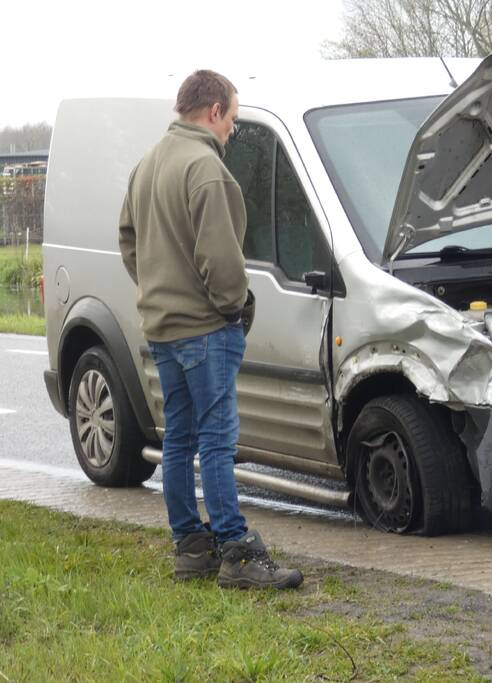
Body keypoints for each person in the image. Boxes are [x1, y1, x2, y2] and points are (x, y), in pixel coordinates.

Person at [118, 69, 302, 589]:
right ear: (215, 111)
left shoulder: (147, 164)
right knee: (218, 440)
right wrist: (234, 306)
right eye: (234, 121)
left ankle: (191, 547)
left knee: (179, 437)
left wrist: (158, 286)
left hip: (162, 328)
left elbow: (128, 241)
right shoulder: (207, 169)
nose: (232, 132)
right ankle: (237, 553)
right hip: (205, 328)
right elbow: (222, 261)